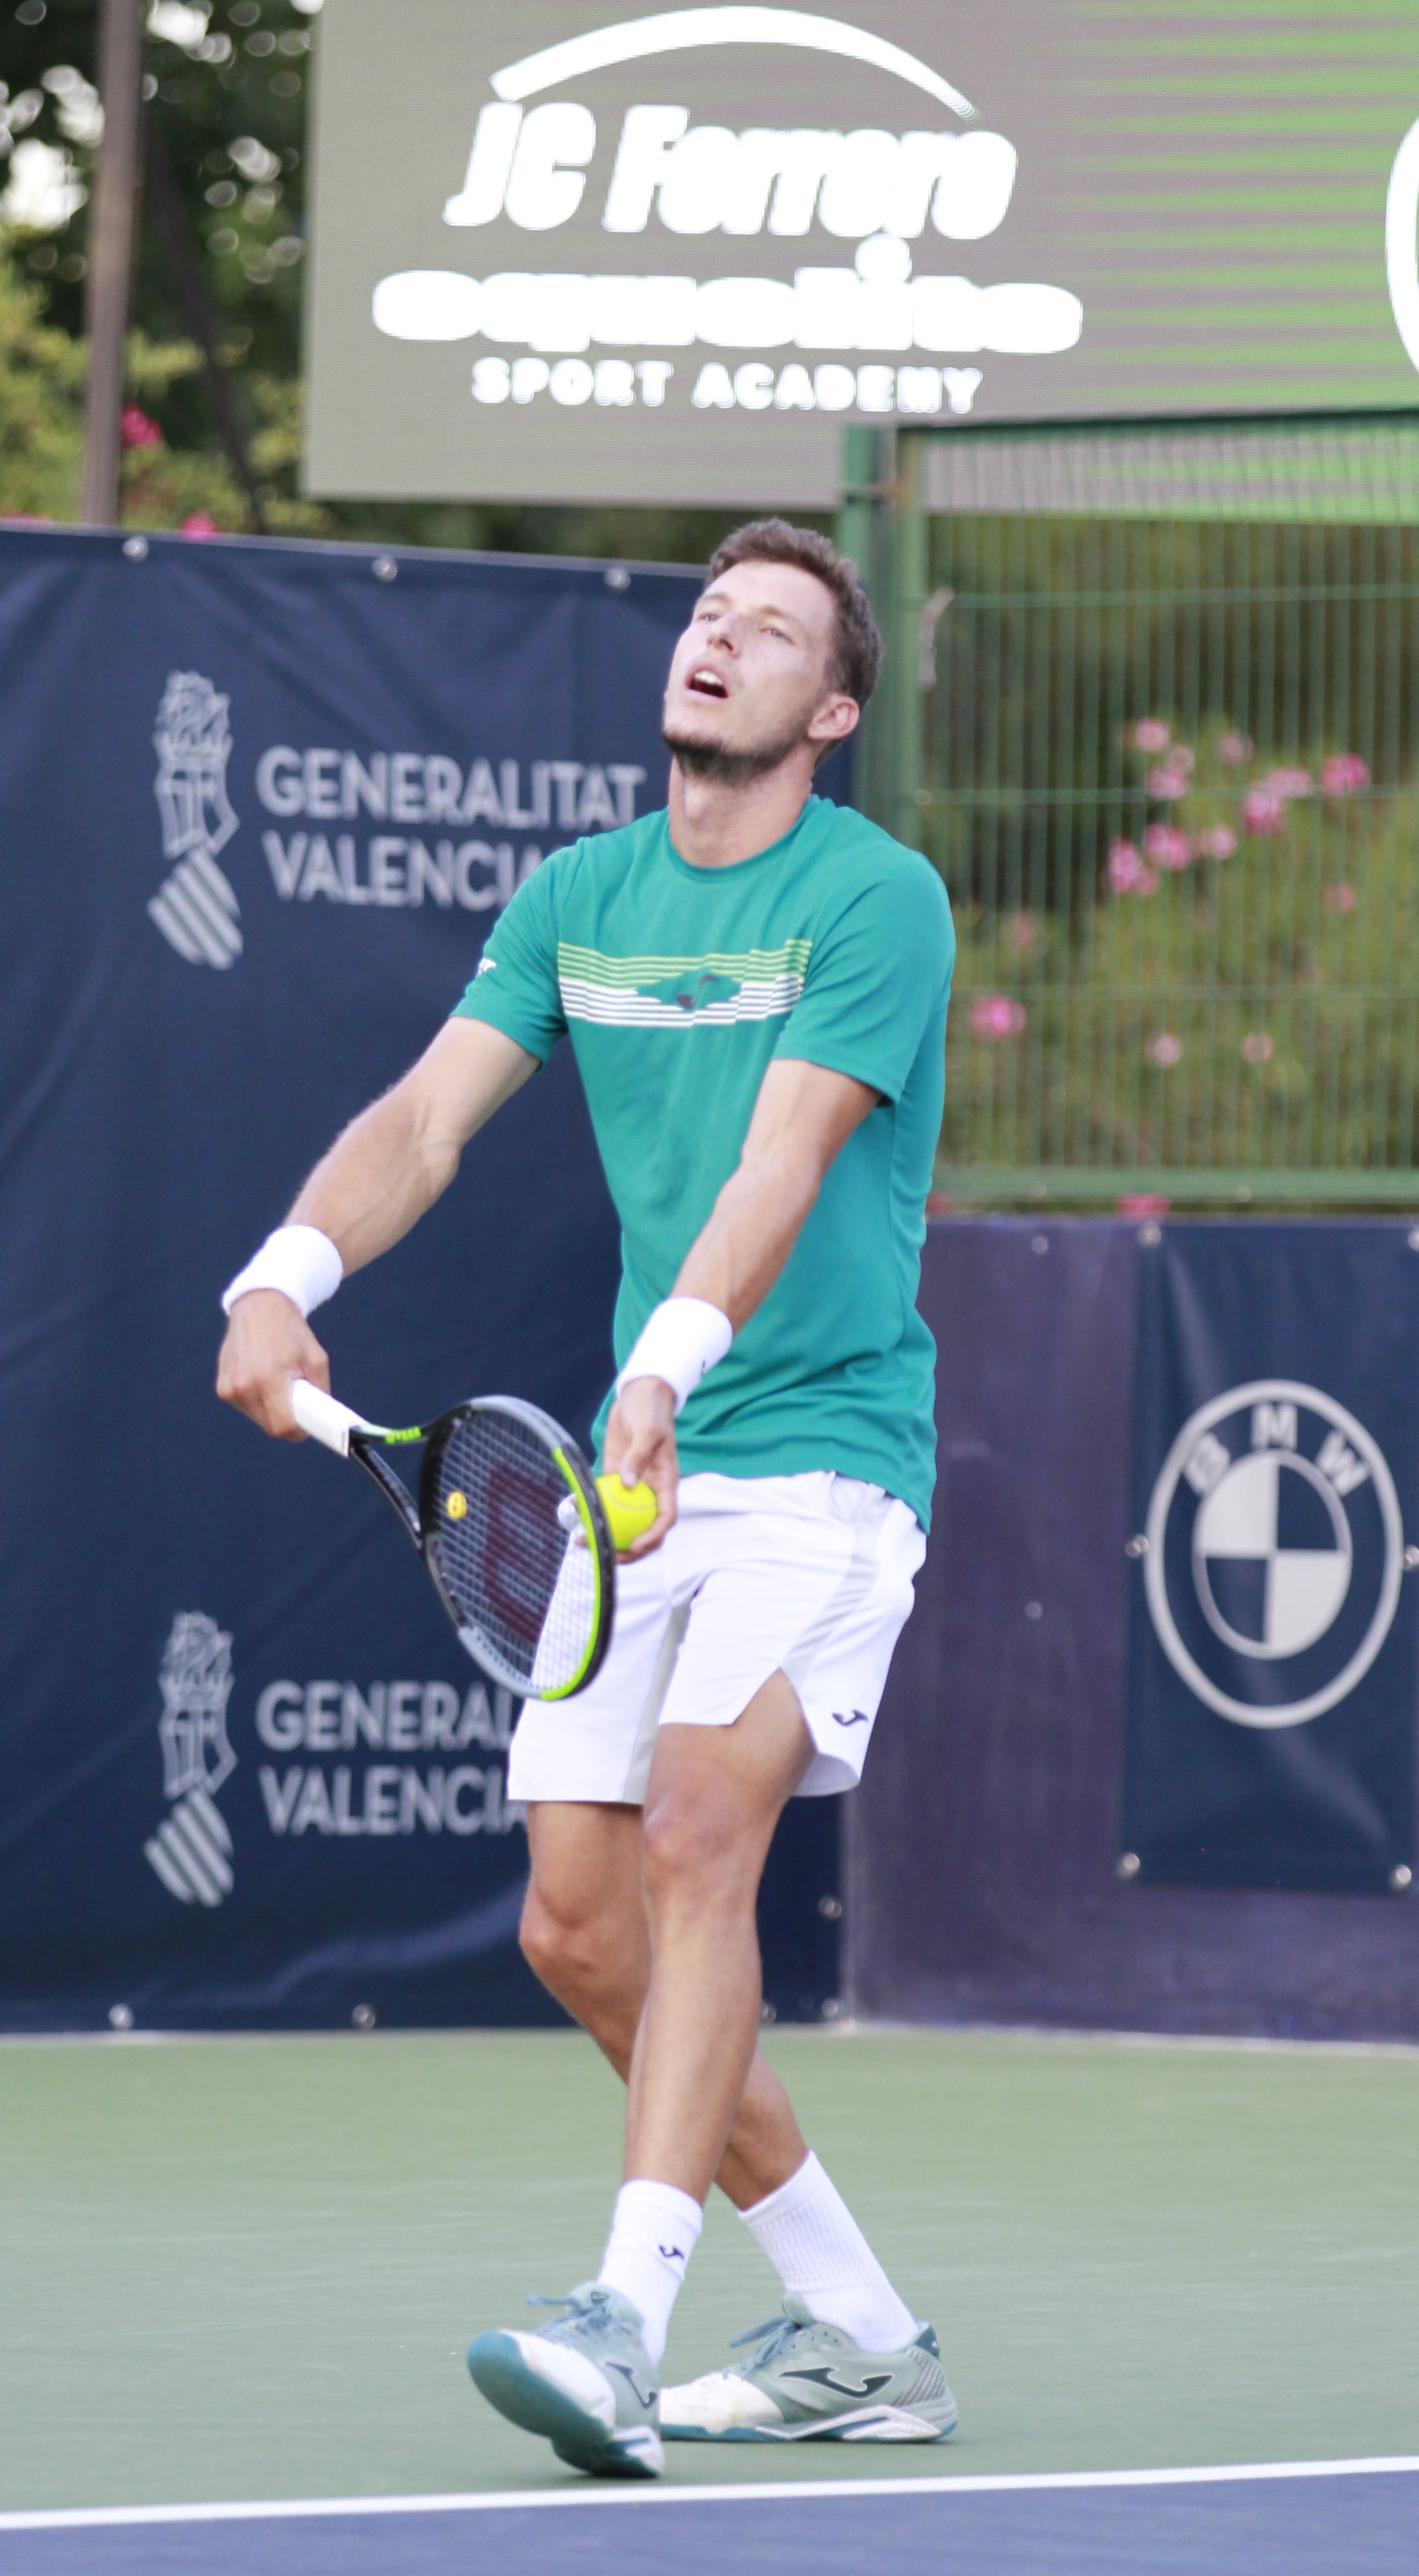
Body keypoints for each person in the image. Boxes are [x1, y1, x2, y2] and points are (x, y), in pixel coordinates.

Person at [217, 519, 956, 2481]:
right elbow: (426, 1117)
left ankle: (624, 2311)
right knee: (577, 1927)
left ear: (835, 709)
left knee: (707, 1825)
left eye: (773, 630)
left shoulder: (878, 897)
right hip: (652, 1484)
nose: (721, 640)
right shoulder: (580, 897)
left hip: (820, 1454)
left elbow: (786, 1162)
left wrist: (665, 1365)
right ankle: (864, 2334)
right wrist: (286, 1275)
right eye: (711, 613)